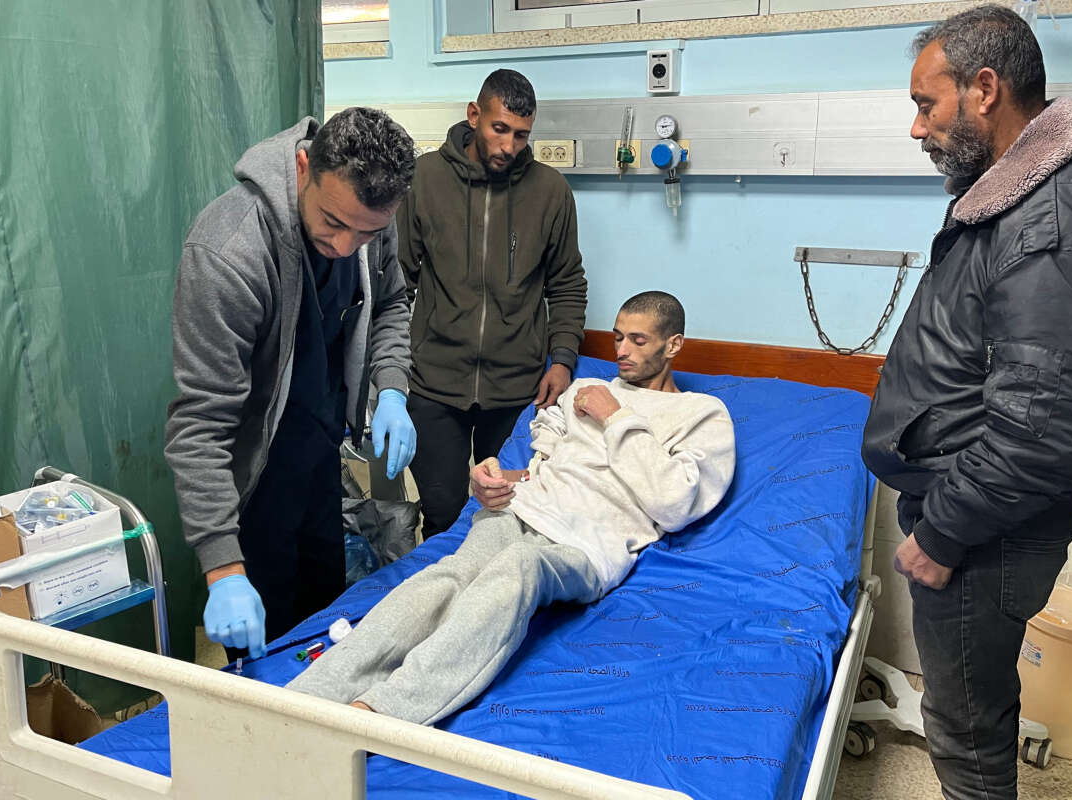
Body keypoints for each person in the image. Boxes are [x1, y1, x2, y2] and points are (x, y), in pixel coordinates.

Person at [861, 7, 1072, 798]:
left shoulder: (1051, 215)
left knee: (967, 742)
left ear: (984, 89)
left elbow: (1055, 427)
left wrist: (940, 534)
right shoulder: (1006, 191)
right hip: (973, 520)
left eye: (925, 105)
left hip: (980, 536)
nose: (915, 128)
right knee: (969, 721)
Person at [286, 292, 735, 724]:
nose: (621, 350)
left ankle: (382, 710)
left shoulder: (701, 415)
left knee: (519, 567)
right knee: (448, 574)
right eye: (618, 337)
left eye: (638, 340)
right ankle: (310, 693)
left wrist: (616, 417)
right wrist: (492, 481)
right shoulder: (586, 388)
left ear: (673, 345)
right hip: (527, 509)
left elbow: (674, 503)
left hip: (590, 543)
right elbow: (545, 465)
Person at [165, 109, 419, 660]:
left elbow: (393, 303)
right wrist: (223, 568)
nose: (347, 246)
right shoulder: (228, 253)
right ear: (303, 167)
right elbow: (199, 427)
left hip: (320, 459)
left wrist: (392, 389)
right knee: (267, 654)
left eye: (367, 232)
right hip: (254, 485)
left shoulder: (370, 214)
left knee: (321, 634)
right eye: (332, 223)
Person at [398, 68, 588, 538]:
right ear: (474, 115)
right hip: (433, 384)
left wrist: (562, 360)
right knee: (442, 516)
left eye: (521, 135)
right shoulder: (424, 178)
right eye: (498, 128)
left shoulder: (550, 192)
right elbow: (395, 281)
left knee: (511, 514)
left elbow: (566, 283)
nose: (508, 145)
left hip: (516, 389)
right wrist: (392, 369)